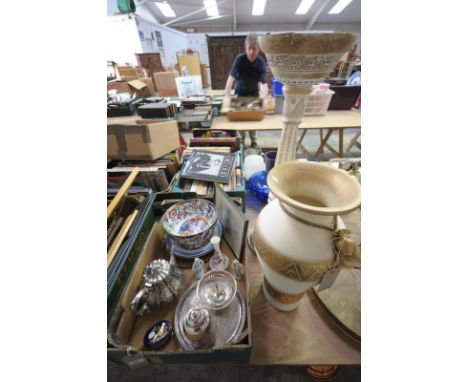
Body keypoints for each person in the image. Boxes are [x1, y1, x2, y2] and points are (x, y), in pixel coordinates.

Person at [223, 33, 269, 149]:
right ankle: (242, 141)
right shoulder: (239, 59)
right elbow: (231, 79)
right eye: (249, 48)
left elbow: (264, 85)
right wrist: (226, 97)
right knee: (241, 121)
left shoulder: (261, 63)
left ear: (259, 49)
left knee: (253, 121)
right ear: (245, 47)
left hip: (254, 95)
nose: (251, 52)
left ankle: (253, 141)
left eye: (254, 49)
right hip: (240, 94)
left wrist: (265, 100)